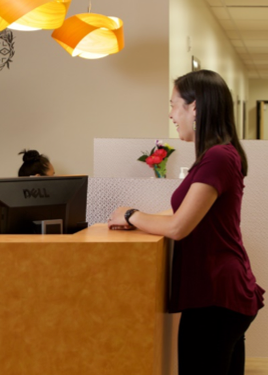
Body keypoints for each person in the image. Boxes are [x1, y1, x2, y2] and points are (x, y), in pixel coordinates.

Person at [107, 70, 264, 375]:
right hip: (220, 293)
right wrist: (136, 219)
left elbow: (180, 227)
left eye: (174, 104)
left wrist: (131, 215)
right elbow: (180, 212)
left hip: (217, 294)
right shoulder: (216, 155)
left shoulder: (218, 157)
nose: (171, 114)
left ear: (196, 108)